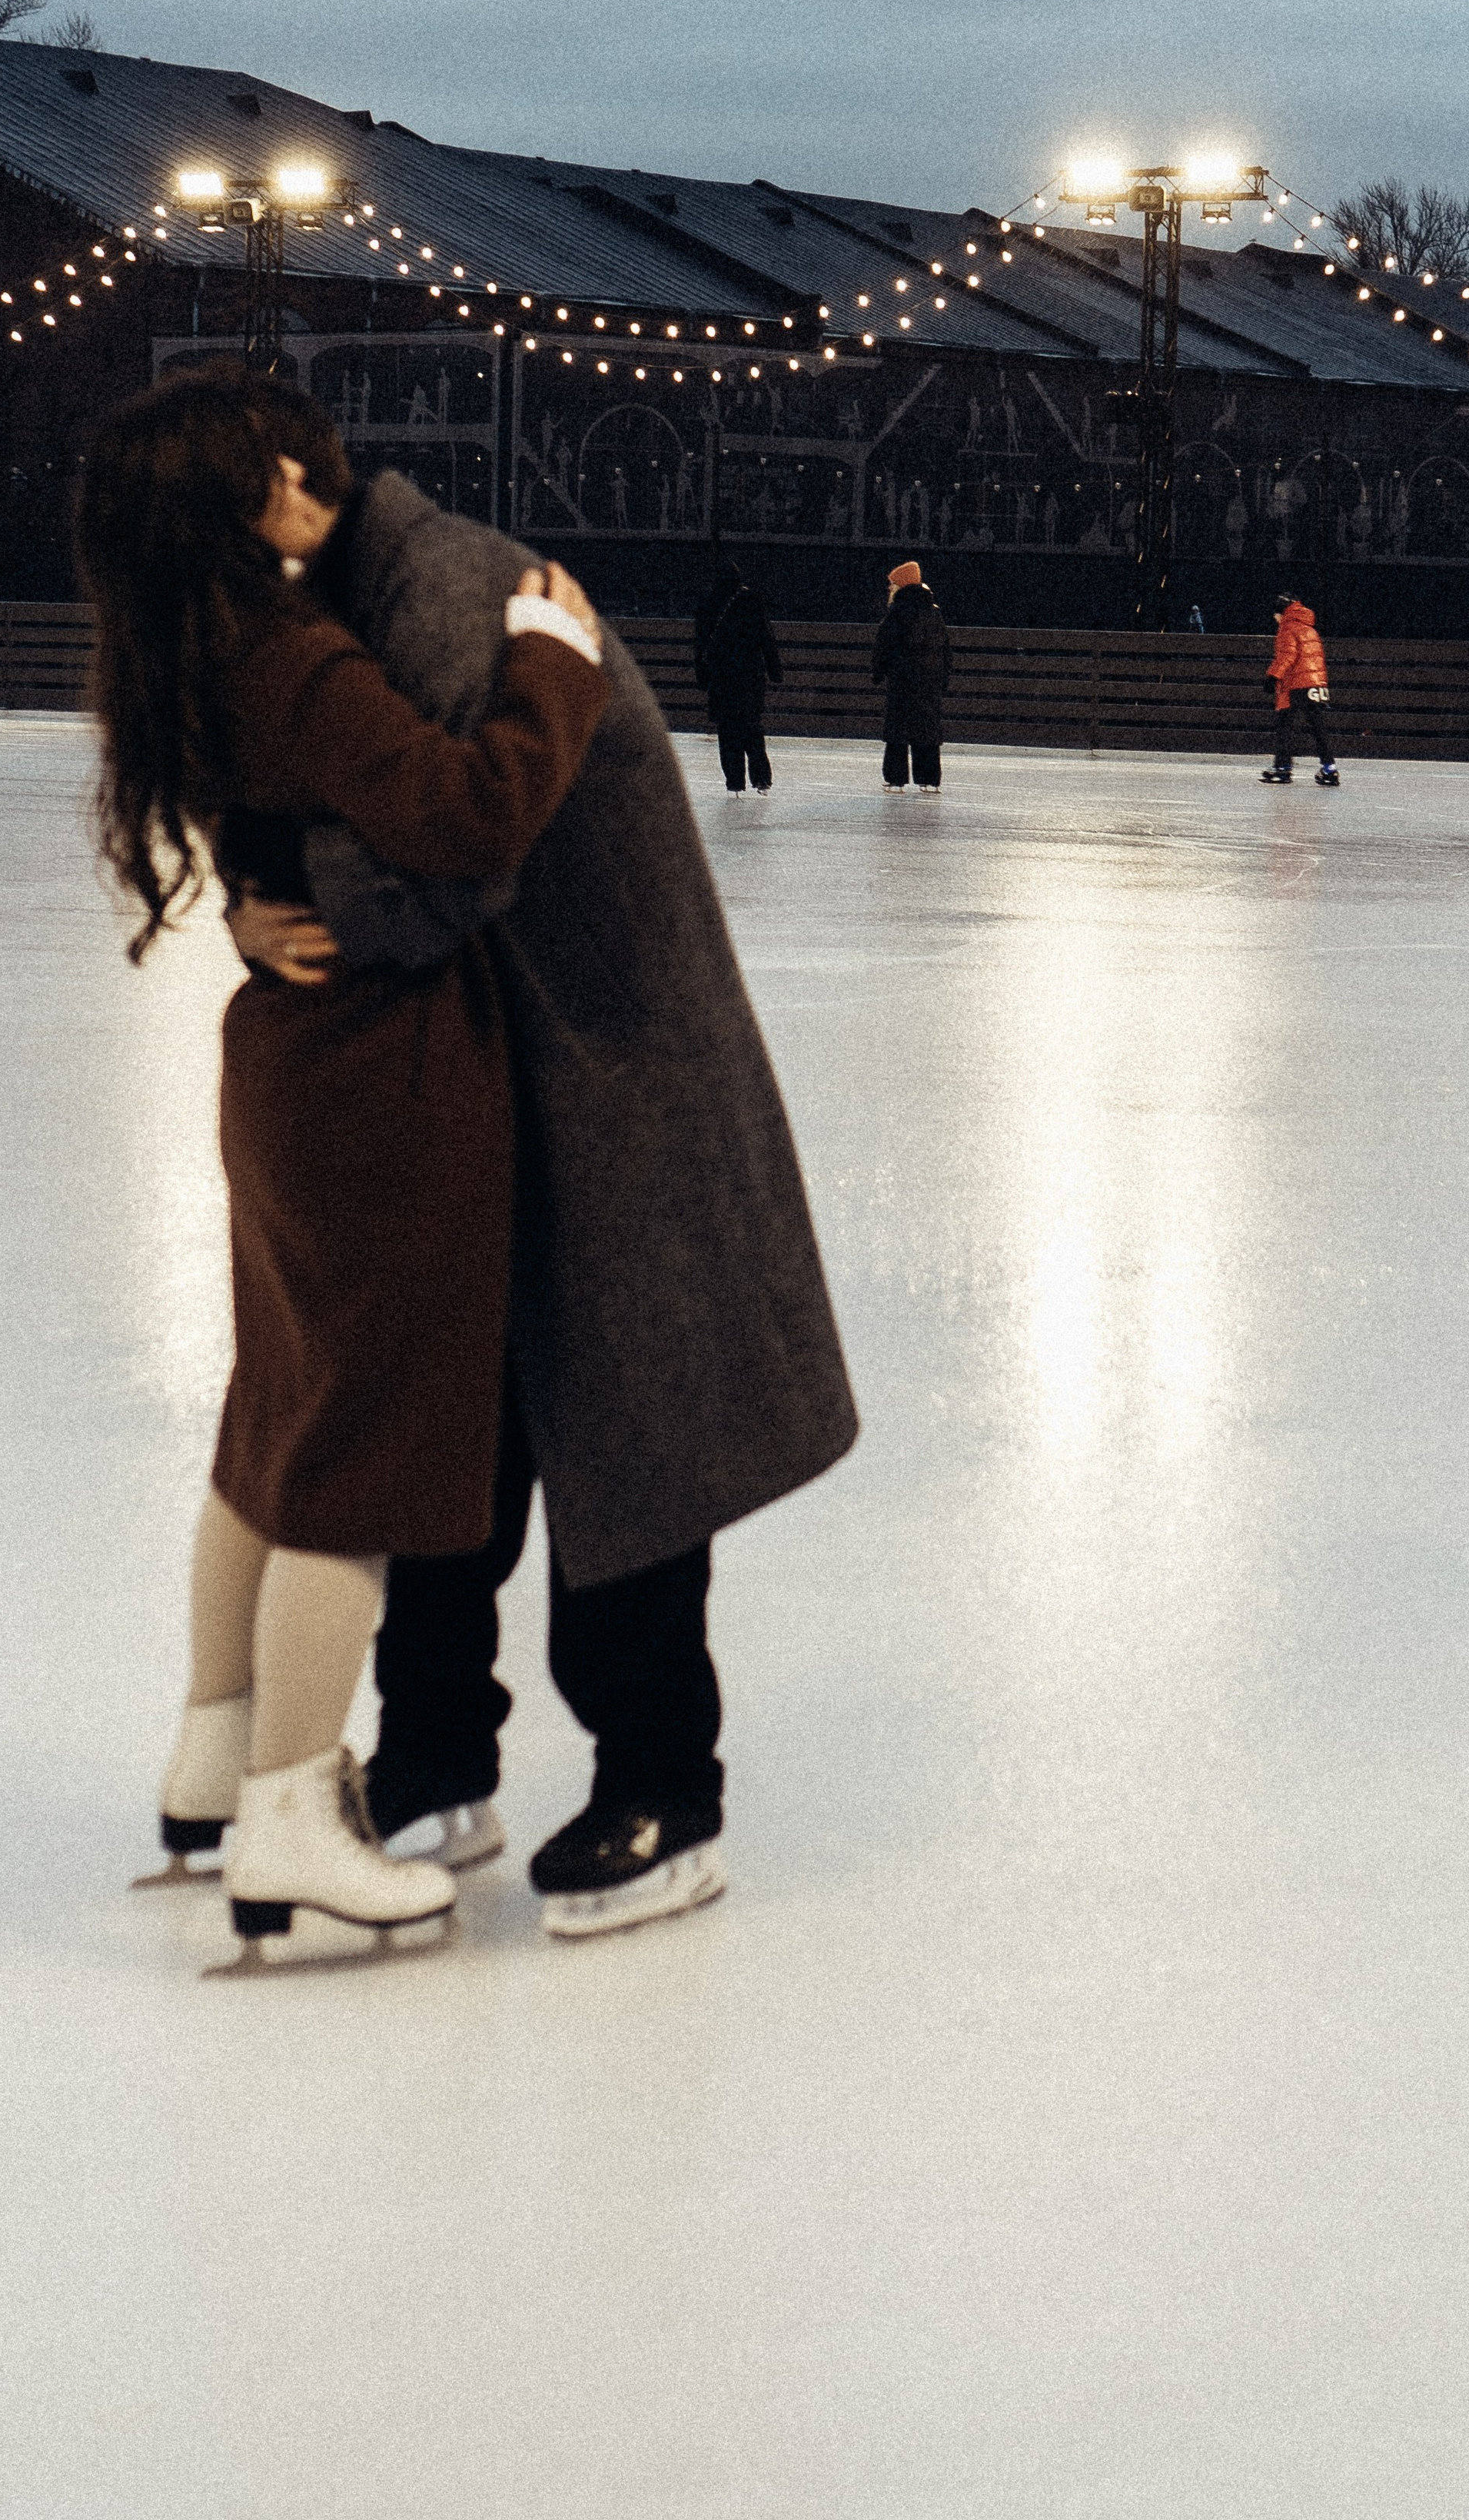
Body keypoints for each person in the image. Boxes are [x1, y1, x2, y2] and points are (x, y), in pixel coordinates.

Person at [219, 380, 859, 1939]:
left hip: (614, 1069)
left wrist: (283, 887)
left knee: (626, 1444)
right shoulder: (359, 596)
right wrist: (253, 896)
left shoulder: (448, 595)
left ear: (293, 493)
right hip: (498, 1065)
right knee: (455, 1430)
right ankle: (439, 1760)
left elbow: (451, 856)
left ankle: (666, 1786)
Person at [78, 367, 608, 1958]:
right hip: (380, 1082)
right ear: (246, 509)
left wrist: (252, 912)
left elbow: (269, 839)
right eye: (281, 475)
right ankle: (294, 1811)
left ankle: (217, 1748)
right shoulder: (294, 657)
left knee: (276, 1421)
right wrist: (553, 665)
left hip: (285, 1067)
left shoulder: (183, 658)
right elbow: (466, 812)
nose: (315, 486)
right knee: (356, 1460)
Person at [693, 557, 783, 791]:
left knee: (727, 730)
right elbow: (766, 637)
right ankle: (761, 777)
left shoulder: (708, 603)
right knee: (751, 727)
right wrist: (775, 670)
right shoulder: (751, 600)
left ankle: (734, 781)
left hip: (721, 676)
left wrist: (702, 675)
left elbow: (700, 643)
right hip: (750, 675)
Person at [871, 558, 952, 788]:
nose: (890, 588)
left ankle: (896, 778)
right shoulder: (934, 613)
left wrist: (878, 672)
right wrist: (944, 678)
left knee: (898, 731)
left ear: (901, 586)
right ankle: (929, 779)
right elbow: (945, 649)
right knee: (927, 730)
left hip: (902, 681)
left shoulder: (897, 612)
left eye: (893, 584)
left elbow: (884, 645)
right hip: (929, 682)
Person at [1263, 590, 1340, 786]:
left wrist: (1273, 676)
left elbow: (1287, 656)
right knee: (1318, 728)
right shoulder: (1310, 629)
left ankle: (1282, 769)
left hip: (1296, 685)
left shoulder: (1288, 628)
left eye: (1275, 615)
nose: (1275, 619)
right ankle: (1330, 769)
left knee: (1284, 726)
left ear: (1282, 612)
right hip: (1316, 684)